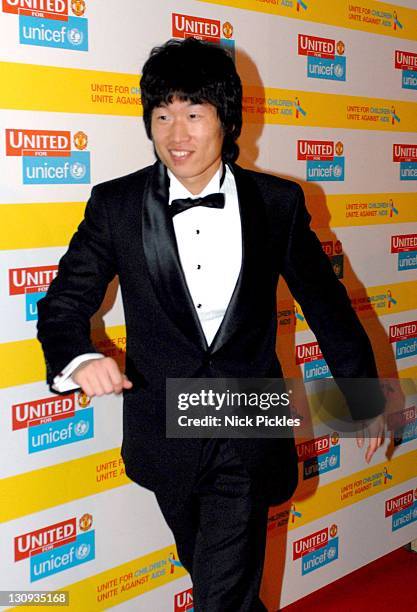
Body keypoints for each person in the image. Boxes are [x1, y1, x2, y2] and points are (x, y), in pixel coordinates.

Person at [37, 38, 385, 611]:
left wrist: (363, 394)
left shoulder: (278, 203)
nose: (177, 134)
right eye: (163, 115)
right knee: (219, 579)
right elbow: (63, 303)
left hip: (249, 421)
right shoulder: (115, 205)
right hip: (165, 430)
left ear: (226, 119)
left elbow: (326, 304)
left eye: (194, 114)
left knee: (221, 594)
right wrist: (78, 357)